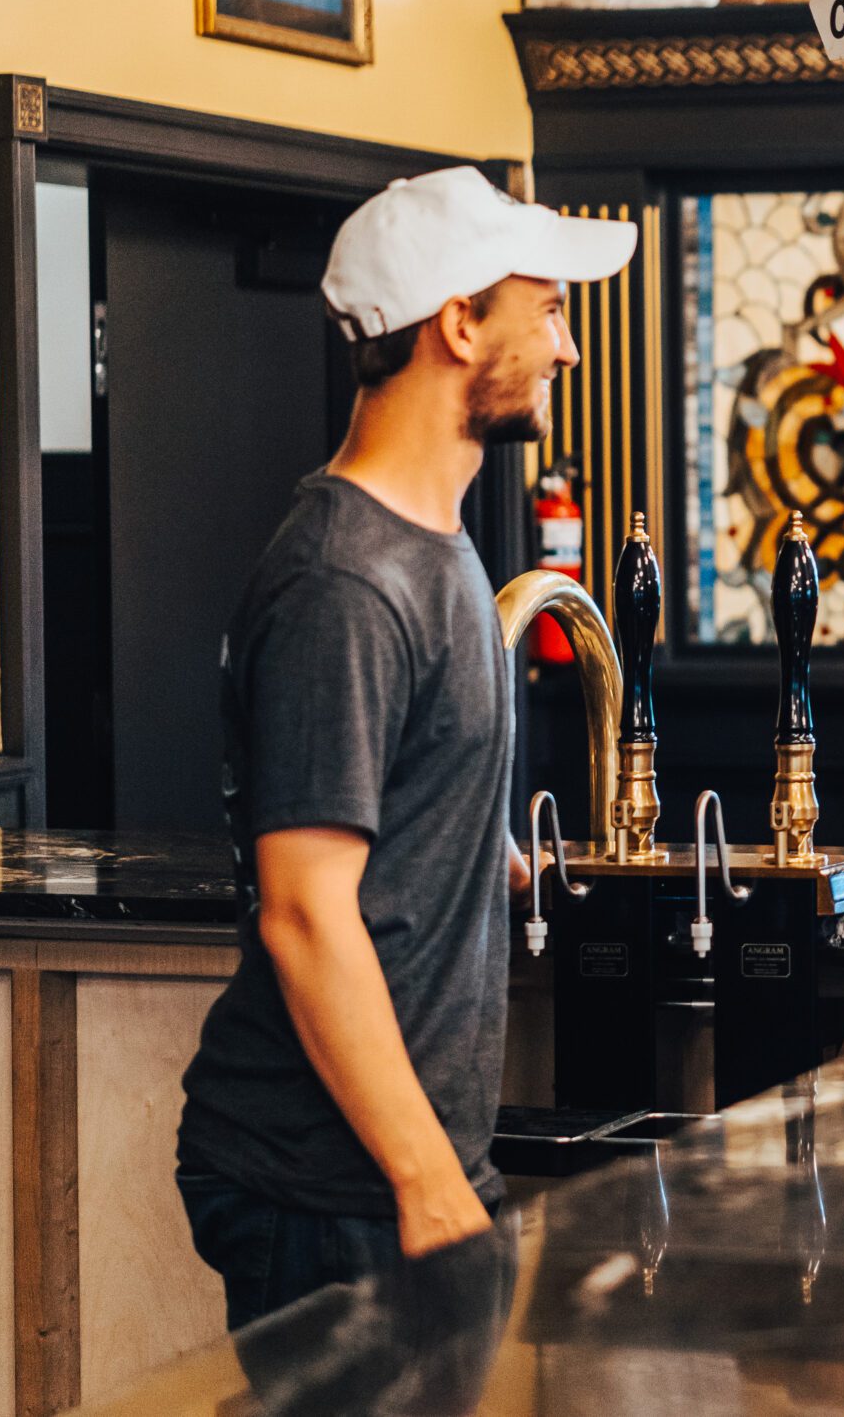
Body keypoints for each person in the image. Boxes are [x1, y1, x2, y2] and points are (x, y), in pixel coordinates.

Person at [175, 167, 636, 1331]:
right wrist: (428, 1183)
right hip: (330, 1184)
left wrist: (479, 850)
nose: (568, 347)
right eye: (548, 312)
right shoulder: (343, 579)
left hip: (392, 1171)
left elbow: (390, 791)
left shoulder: (436, 545)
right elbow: (304, 913)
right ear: (459, 323)